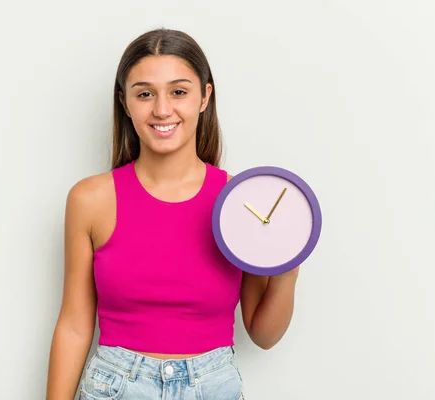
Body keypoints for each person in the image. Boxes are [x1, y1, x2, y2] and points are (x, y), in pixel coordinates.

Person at [46, 28, 300, 400]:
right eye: (145, 93)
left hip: (214, 385)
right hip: (116, 386)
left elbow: (263, 335)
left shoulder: (238, 201)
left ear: (204, 96)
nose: (162, 109)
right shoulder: (91, 199)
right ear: (125, 102)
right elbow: (73, 325)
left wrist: (287, 268)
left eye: (178, 91)